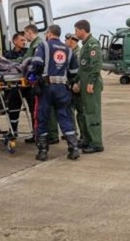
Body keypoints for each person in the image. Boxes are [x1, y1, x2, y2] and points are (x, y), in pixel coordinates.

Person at [29, 24, 80, 161]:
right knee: (65, 116)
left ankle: (43, 151)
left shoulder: (43, 46)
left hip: (46, 87)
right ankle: (74, 148)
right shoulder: (68, 50)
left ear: (49, 33)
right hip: (62, 88)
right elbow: (74, 71)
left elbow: (37, 63)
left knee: (42, 117)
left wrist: (33, 77)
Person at [23, 24, 60, 144]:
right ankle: (45, 134)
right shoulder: (38, 44)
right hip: (53, 82)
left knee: (42, 110)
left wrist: (32, 76)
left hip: (43, 81)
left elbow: (34, 63)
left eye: (25, 33)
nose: (24, 37)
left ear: (29, 32)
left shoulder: (38, 44)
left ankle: (46, 136)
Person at [72, 19, 104, 153]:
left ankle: (96, 143)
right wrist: (77, 81)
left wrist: (91, 82)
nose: (75, 33)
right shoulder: (85, 45)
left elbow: (95, 66)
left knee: (92, 112)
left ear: (82, 30)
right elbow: (83, 68)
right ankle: (87, 140)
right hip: (84, 83)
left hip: (91, 84)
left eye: (76, 30)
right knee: (85, 112)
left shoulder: (92, 45)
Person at [3, 33, 33, 138]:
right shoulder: (8, 55)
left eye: (25, 40)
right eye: (21, 40)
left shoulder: (28, 52)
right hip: (15, 86)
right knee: (13, 109)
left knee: (33, 109)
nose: (24, 42)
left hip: (28, 86)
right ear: (14, 41)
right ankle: (13, 131)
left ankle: (35, 134)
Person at [65, 33, 82, 139]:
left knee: (79, 112)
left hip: (76, 86)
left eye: (66, 40)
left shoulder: (78, 54)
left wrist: (76, 83)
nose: (65, 42)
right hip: (71, 84)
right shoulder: (71, 52)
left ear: (72, 41)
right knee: (69, 110)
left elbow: (79, 71)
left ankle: (81, 135)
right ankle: (72, 132)